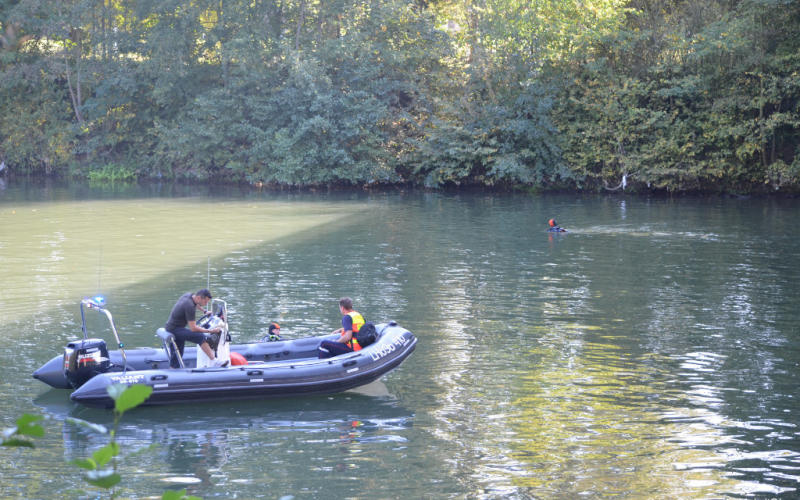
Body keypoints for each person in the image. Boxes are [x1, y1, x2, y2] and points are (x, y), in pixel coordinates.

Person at [164, 289, 228, 368]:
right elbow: (193, 328)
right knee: (200, 336)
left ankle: (173, 369)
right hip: (175, 329)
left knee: (179, 350)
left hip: (171, 326)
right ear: (198, 298)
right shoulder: (189, 307)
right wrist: (211, 330)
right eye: (205, 302)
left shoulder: (189, 296)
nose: (206, 304)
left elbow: (196, 304)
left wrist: (204, 311)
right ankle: (214, 361)